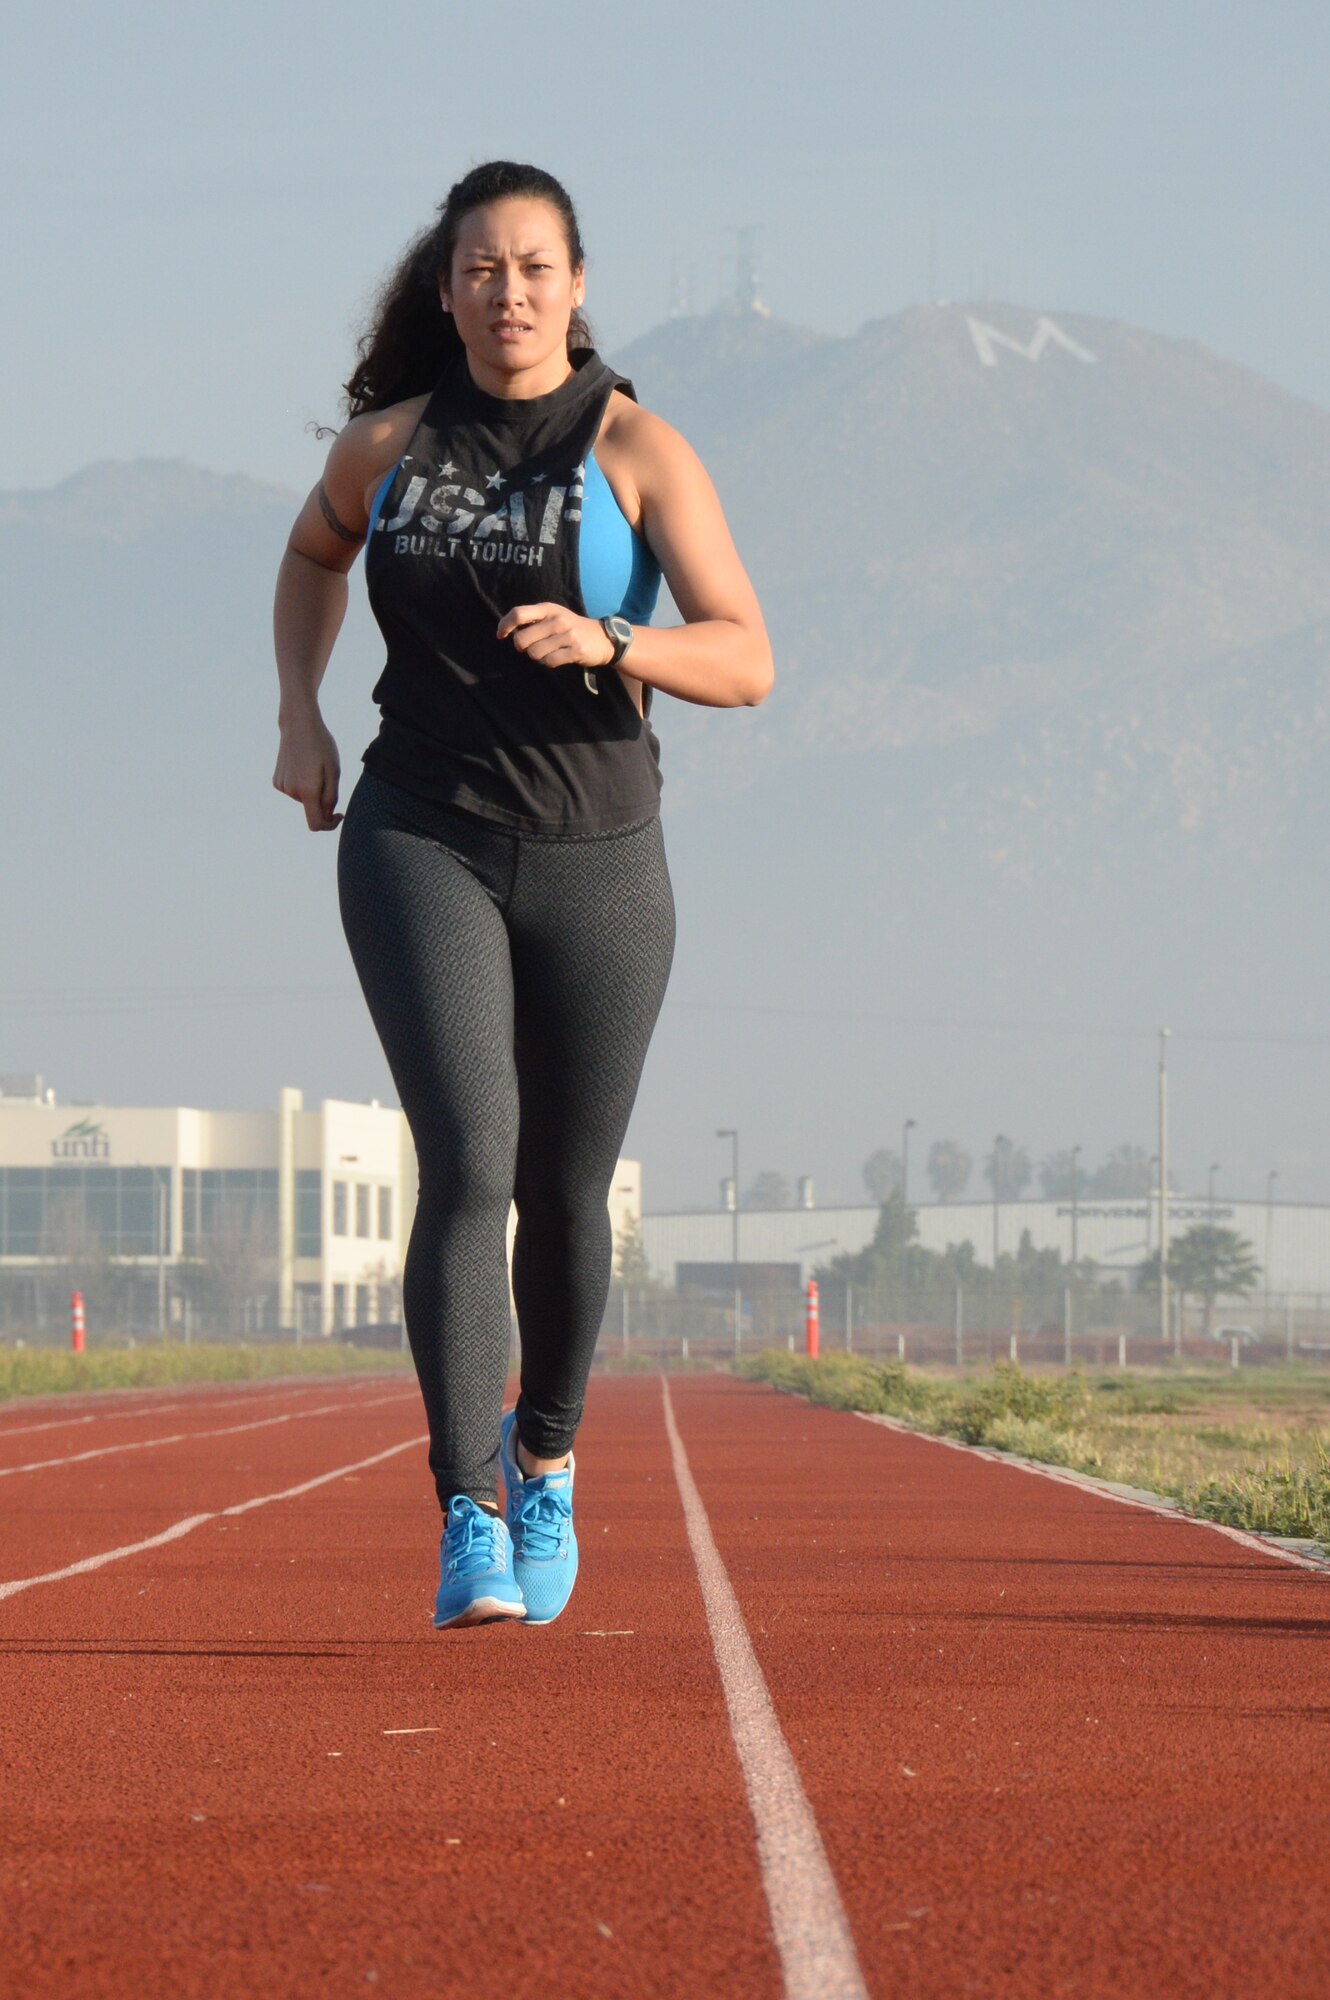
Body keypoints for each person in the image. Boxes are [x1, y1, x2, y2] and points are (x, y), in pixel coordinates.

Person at [272, 160, 772, 1628]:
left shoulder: (637, 450)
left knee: (562, 1189)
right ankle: (467, 1511)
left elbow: (743, 655)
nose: (508, 293)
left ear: (575, 286)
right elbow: (310, 553)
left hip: (601, 857)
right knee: (469, 1163)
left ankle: (542, 1454)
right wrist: (298, 715)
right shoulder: (386, 447)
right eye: (481, 269)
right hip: (420, 834)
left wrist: (620, 642)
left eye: (535, 267)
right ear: (446, 291)